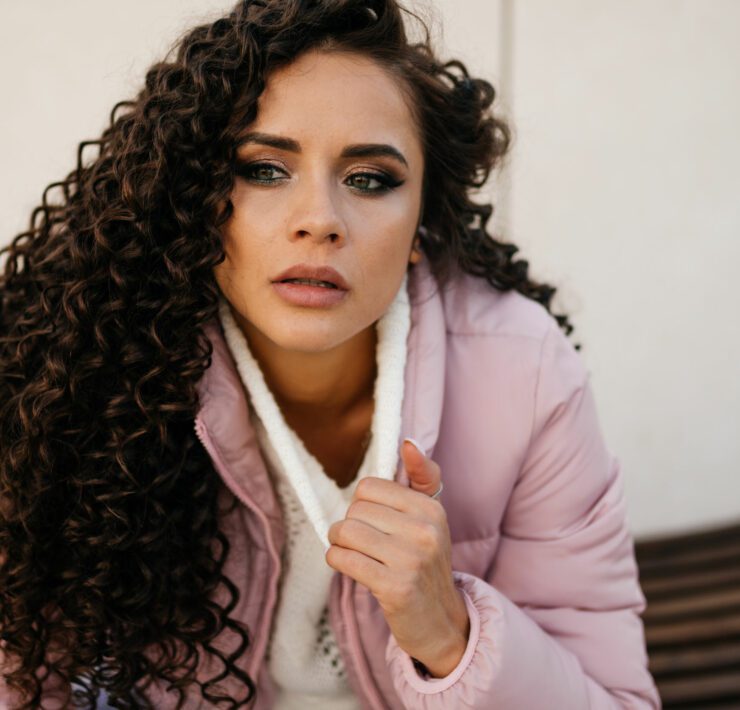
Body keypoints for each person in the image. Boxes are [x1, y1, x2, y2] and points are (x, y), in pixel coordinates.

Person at [0, 0, 660, 708]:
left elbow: (615, 699)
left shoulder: (523, 372)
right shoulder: (88, 358)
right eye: (264, 169)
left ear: (421, 227)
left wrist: (452, 636)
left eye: (369, 179)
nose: (319, 220)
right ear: (195, 195)